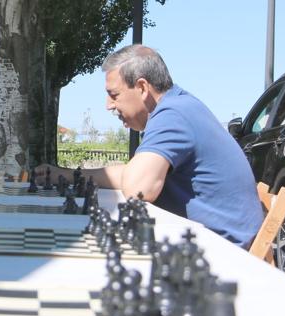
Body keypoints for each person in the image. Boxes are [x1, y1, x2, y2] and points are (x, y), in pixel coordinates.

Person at [37, 44, 263, 249]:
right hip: (215, 243)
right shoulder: (179, 106)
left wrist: (65, 176)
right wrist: (63, 174)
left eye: (114, 95)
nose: (108, 106)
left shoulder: (172, 115)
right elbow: (132, 173)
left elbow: (138, 188)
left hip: (225, 253)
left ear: (142, 87)